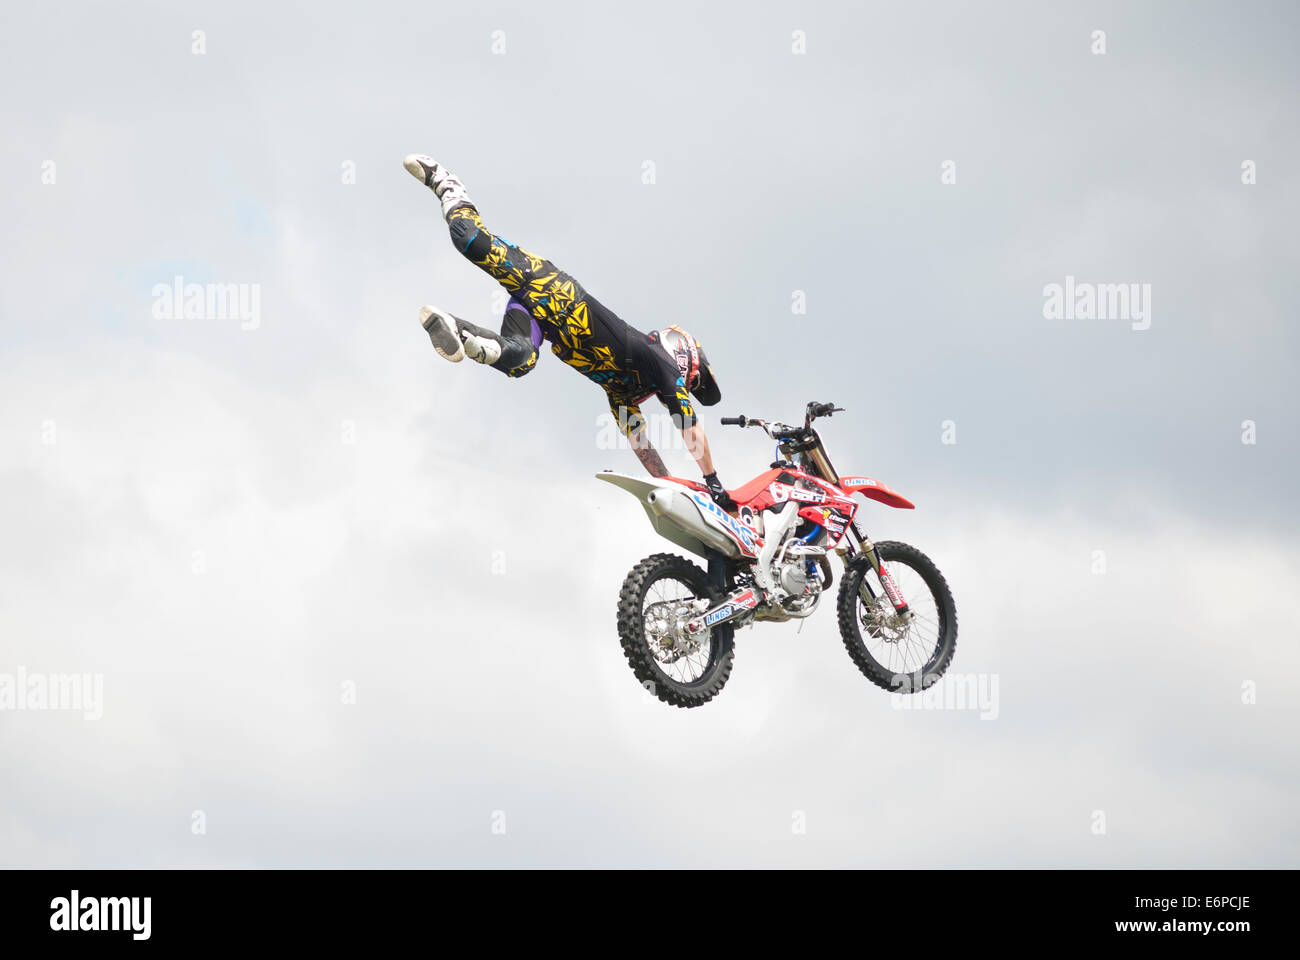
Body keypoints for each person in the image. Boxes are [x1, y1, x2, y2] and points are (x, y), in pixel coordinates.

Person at [403, 154, 736, 511]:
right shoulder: (656, 358)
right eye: (692, 379)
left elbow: (641, 445)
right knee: (467, 238)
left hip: (538, 321)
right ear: (686, 357)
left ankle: (457, 330)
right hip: (546, 284)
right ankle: (447, 183)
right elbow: (688, 424)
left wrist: (667, 491)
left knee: (519, 361)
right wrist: (713, 482)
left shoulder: (621, 392)